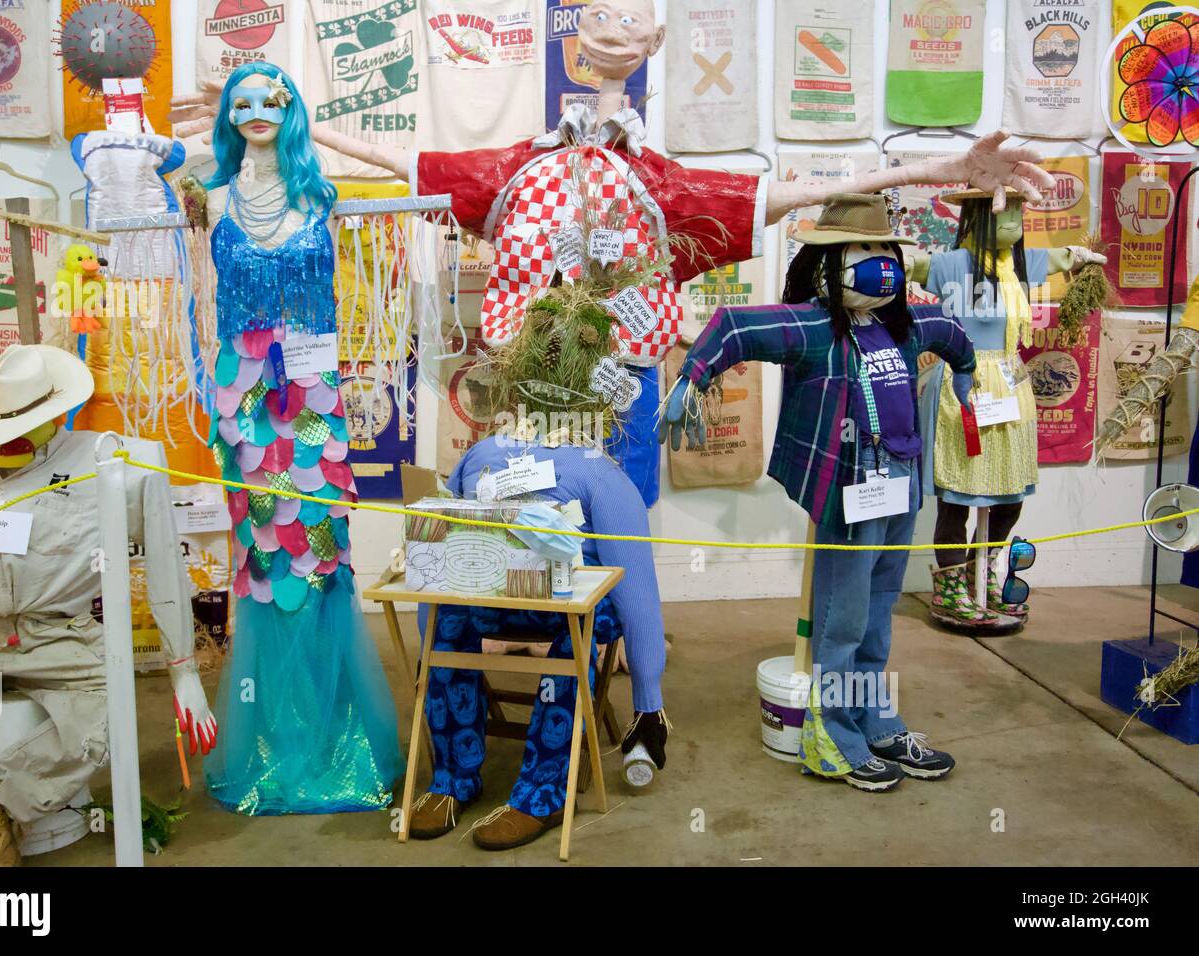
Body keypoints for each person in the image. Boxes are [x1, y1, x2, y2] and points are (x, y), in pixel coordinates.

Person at [169, 0, 1053, 506]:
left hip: (625, 382)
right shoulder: (522, 168)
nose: (612, 41)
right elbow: (404, 160)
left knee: (620, 526)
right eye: (599, 28)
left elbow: (787, 193)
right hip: (525, 392)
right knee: (532, 523)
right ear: (573, 46)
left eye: (630, 32)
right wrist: (283, 115)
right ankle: (560, 661)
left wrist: (948, 164)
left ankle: (619, 672)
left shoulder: (659, 184)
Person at [662, 194, 976, 792]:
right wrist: (692, 377)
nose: (881, 264)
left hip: (901, 488)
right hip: (851, 494)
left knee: (880, 613)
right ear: (826, 265)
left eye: (886, 251)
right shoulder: (810, 326)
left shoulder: (903, 327)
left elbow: (952, 333)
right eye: (864, 251)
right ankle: (834, 733)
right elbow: (737, 327)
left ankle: (875, 717)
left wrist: (966, 379)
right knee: (842, 618)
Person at [0, 344, 215, 865]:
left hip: (57, 640)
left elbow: (165, 565)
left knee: (110, 707)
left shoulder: (112, 465)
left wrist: (183, 670)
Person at [198, 63, 403, 815]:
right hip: (248, 398)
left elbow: (376, 163)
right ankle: (274, 735)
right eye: (240, 102)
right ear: (226, 113)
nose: (255, 112)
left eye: (271, 100)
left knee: (318, 551)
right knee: (263, 555)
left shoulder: (320, 193)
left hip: (313, 397)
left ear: (293, 110)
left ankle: (334, 730)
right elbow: (150, 161)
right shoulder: (214, 192)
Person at [409, 435, 667, 850]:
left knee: (576, 627)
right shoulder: (483, 454)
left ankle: (542, 793)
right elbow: (439, 552)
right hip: (496, 588)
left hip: (572, 596)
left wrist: (648, 702)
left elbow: (636, 588)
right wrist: (430, 650)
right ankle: (453, 778)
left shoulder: (599, 473)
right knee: (450, 618)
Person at [908, 189, 1105, 628]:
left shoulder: (1022, 264)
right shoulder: (949, 264)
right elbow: (915, 267)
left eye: (1019, 209)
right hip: (963, 380)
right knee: (957, 496)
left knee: (1011, 493)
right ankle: (951, 587)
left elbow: (1063, 259)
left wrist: (1084, 258)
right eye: (1006, 209)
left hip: (1011, 382)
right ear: (978, 215)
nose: (1014, 217)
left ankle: (986, 570)